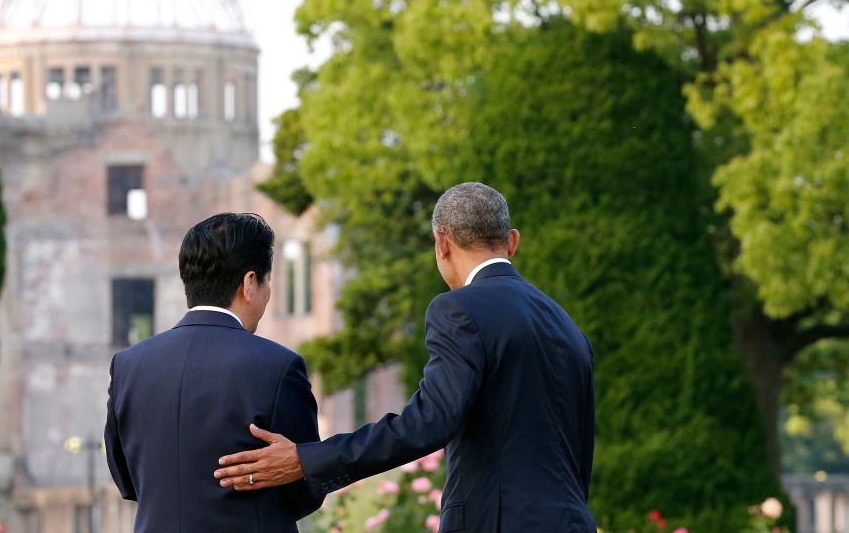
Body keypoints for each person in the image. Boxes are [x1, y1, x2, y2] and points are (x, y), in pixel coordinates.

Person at [213, 183, 596, 533]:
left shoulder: (459, 310)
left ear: (441, 244)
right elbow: (578, 447)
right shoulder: (566, 325)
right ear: (511, 242)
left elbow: (428, 423)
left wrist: (307, 459)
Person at [105, 212, 322, 532]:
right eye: (268, 280)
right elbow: (306, 484)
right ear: (250, 283)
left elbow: (126, 478)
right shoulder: (278, 366)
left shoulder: (128, 365)